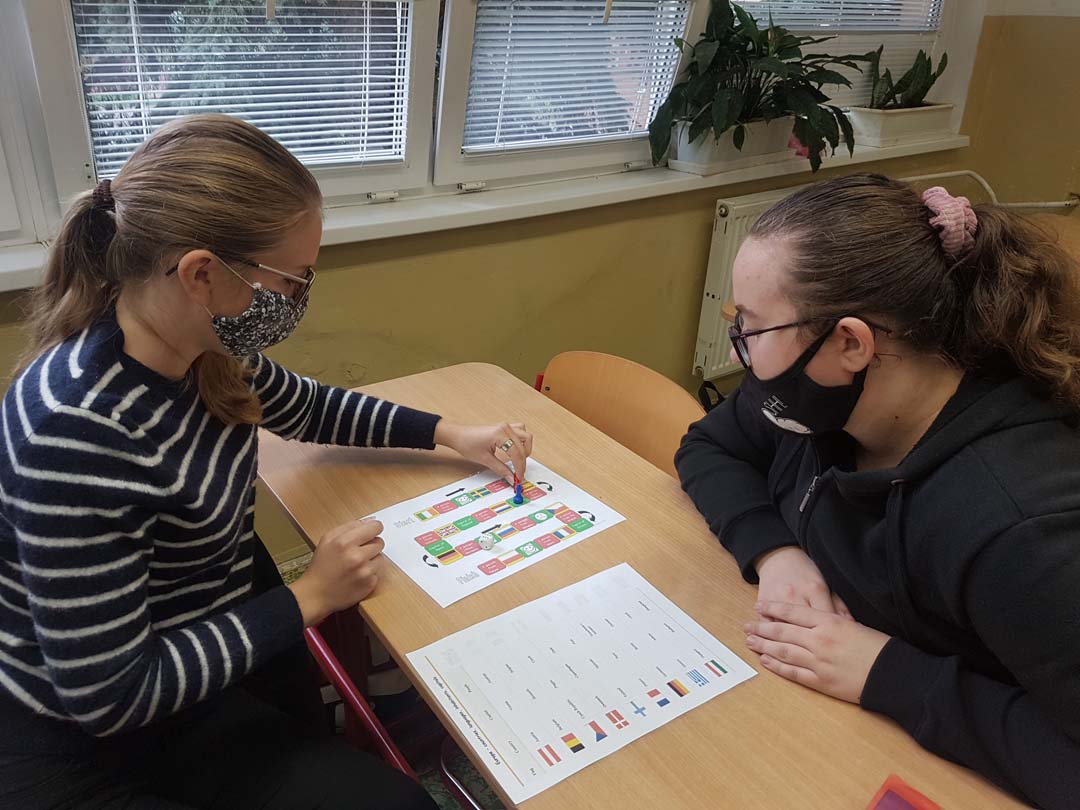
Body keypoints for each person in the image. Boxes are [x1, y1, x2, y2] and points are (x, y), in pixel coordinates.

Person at [0, 114, 534, 810]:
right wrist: (310, 597)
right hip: (86, 740)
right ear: (201, 273)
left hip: (188, 653)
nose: (299, 298)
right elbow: (113, 695)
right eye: (291, 279)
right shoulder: (76, 429)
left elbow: (310, 408)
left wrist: (452, 434)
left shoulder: (199, 349)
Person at [675, 173, 1080, 809]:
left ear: (850, 343)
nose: (741, 357)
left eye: (751, 330)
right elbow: (707, 446)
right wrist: (776, 553)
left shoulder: (1021, 526)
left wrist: (890, 674)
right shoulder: (820, 401)